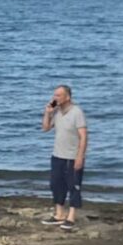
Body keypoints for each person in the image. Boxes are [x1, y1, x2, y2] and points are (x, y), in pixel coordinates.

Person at [41, 84, 88, 231]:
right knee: (56, 184)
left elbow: (83, 136)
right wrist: (48, 113)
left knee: (73, 186)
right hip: (57, 155)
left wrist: (80, 156)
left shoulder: (76, 112)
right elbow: (46, 128)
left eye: (59, 95)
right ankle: (59, 214)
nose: (55, 98)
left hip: (72, 156)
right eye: (55, 95)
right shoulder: (57, 112)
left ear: (67, 97)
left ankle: (71, 217)